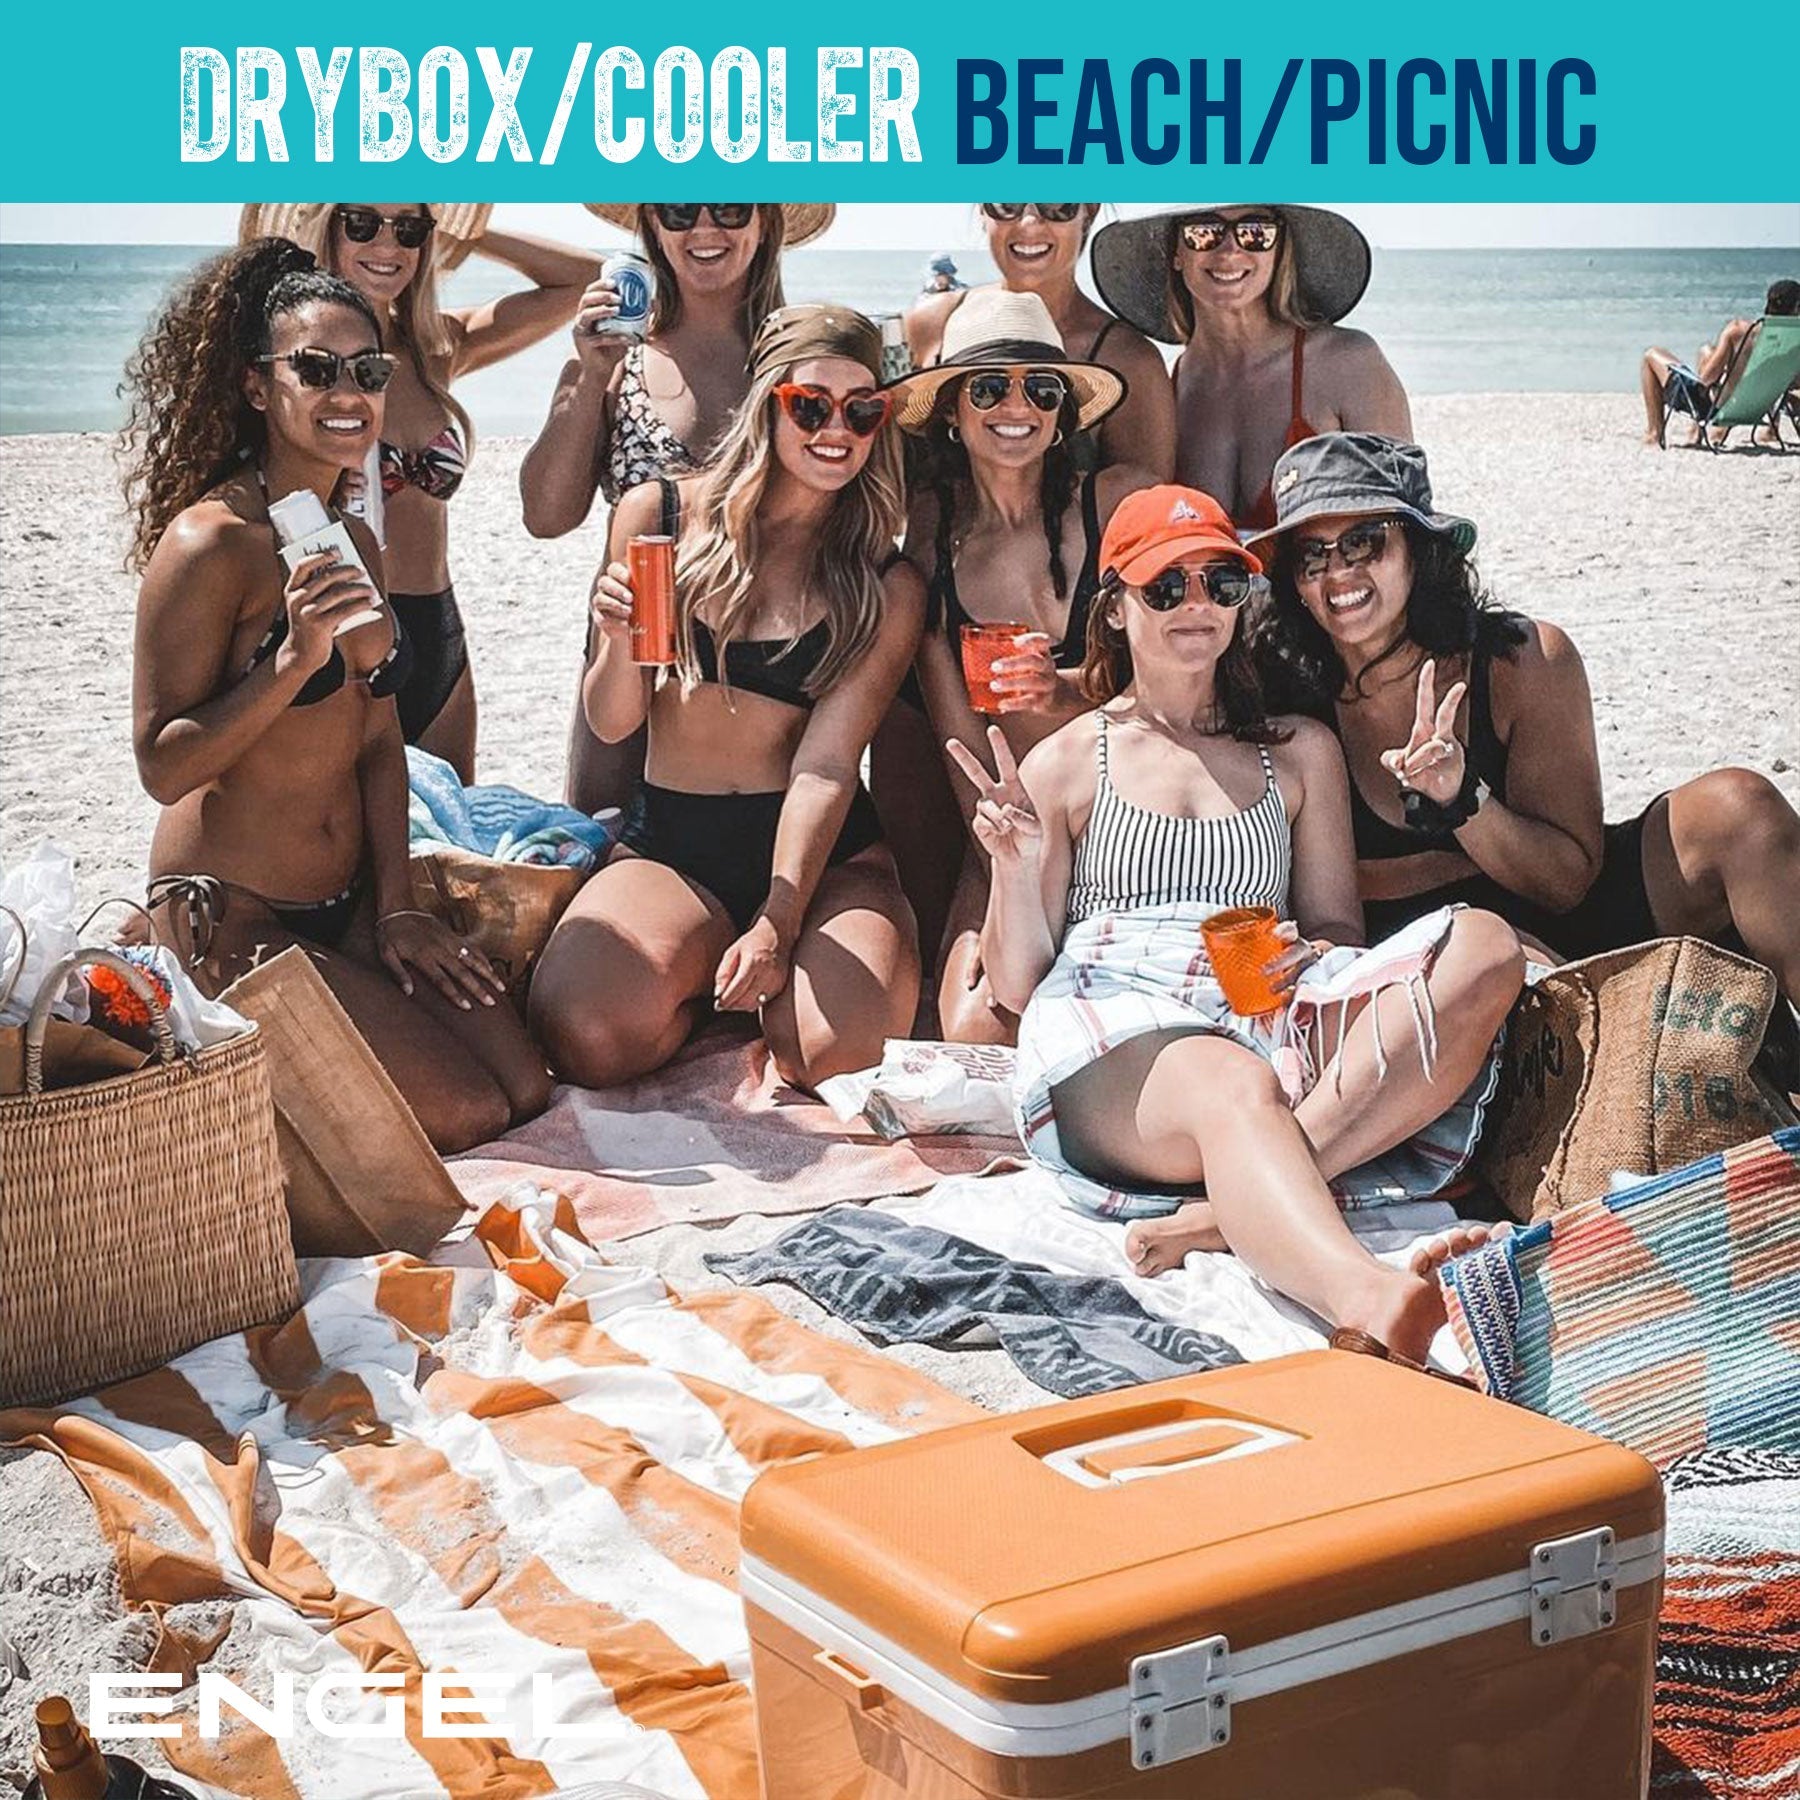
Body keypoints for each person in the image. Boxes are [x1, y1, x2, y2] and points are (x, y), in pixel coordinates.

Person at [955, 483, 1522, 1354]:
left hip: (1262, 1004)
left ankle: (1225, 1215)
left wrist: (1312, 950)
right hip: (1122, 1024)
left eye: (1221, 584)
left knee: (1484, 947)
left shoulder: (1298, 751)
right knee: (1228, 1085)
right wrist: (1014, 871)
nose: (1197, 606)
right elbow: (1020, 984)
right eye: (1165, 587)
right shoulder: (1068, 760)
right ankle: (1362, 1297)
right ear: (1115, 612)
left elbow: (1337, 927)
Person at [120, 239, 552, 1153]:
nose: (347, 392)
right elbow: (163, 765)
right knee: (466, 1112)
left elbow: (377, 741)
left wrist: (396, 907)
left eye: (367, 369)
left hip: (350, 903)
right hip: (230, 910)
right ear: (255, 386)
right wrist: (290, 663)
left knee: (522, 1088)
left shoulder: (355, 532)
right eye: (315, 369)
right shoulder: (212, 544)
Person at [1248, 431, 1800, 1051]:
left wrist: (1463, 800)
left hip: (1567, 911)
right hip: (1428, 967)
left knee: (1742, 809)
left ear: (1418, 547)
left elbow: (1569, 882)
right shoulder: (1279, 699)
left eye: (1363, 542)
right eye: (1312, 556)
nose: (1339, 573)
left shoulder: (1521, 660)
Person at [528, 305, 924, 1093]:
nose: (835, 429)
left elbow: (827, 763)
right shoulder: (658, 517)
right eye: (809, 406)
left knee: (833, 1059)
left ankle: (752, 976)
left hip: (823, 853)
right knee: (587, 1037)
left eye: (863, 410)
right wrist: (613, 637)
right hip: (677, 840)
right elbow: (616, 721)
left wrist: (779, 920)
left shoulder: (883, 581)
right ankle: (705, 966)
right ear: (767, 402)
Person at [886, 288, 1157, 1039]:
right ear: (951, 410)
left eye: (1041, 388)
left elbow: (1195, 685)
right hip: (1013, 826)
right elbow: (961, 746)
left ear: (1064, 412)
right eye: (988, 387)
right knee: (976, 1024)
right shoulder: (932, 534)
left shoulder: (1120, 504)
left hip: (1135, 822)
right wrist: (1009, 866)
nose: (1017, 406)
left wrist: (1067, 690)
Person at [247, 202, 597, 782]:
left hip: (437, 629)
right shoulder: (297, 364)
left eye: (408, 229)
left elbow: (583, 279)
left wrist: (467, 230)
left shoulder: (435, 348)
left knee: (446, 842)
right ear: (326, 226)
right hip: (336, 633)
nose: (388, 246)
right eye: (361, 224)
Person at [520, 203, 835, 817]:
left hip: (769, 668)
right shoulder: (615, 364)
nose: (705, 230)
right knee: (604, 855)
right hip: (634, 657)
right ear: (653, 228)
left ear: (764, 224)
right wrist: (589, 376)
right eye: (680, 210)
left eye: (730, 209)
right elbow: (545, 516)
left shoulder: (801, 368)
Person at [1091, 205, 1410, 532]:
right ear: (1175, 252)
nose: (1230, 250)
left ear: (1279, 248)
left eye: (1255, 233)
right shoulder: (1163, 393)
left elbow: (1404, 524)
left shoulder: (1349, 363)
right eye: (1204, 232)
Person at [903, 204, 1177, 479]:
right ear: (983, 212)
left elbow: (1149, 507)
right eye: (1006, 204)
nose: (1030, 222)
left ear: (1089, 211)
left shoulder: (1129, 360)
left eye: (1057, 204)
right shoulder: (932, 322)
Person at [1639, 277, 1800, 447]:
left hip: (1716, 408)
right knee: (1706, 350)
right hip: (1757, 408)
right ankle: (1699, 430)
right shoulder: (1794, 341)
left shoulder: (1738, 331)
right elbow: (1794, 382)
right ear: (1797, 308)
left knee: (1651, 355)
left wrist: (1721, 377)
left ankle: (1654, 433)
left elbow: (1706, 380)